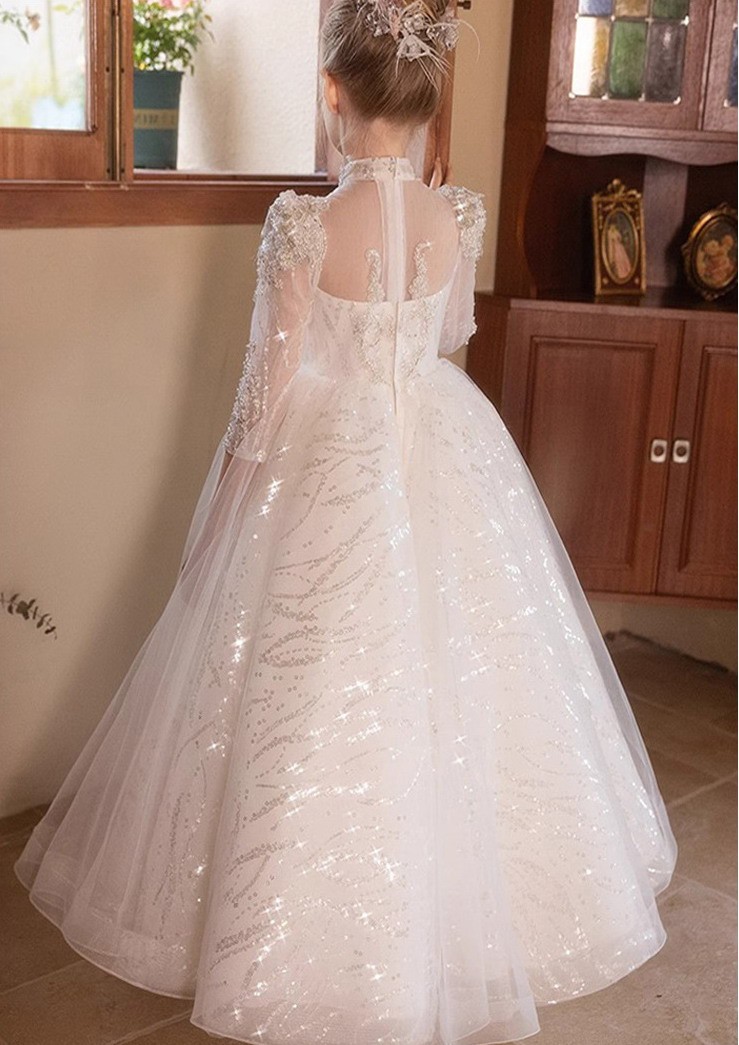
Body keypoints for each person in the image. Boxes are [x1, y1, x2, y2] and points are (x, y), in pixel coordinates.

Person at [15, 2, 677, 1043]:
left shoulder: (303, 224)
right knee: (463, 665)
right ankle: (474, 914)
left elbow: (263, 396)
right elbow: (444, 337)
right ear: (426, 104)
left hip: (329, 457)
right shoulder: (458, 216)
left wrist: (218, 525)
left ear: (332, 92)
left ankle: (303, 931)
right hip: (443, 439)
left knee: (315, 675)